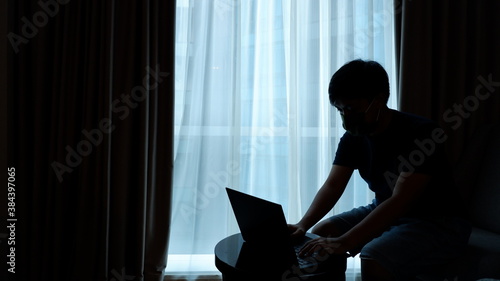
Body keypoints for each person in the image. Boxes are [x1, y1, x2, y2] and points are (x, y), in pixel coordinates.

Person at [288, 59, 471, 281]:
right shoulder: (354, 137)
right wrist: (303, 224)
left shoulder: (422, 133)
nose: (346, 116)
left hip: (438, 222)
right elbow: (333, 185)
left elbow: (401, 200)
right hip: (385, 208)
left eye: (351, 109)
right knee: (318, 233)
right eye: (340, 110)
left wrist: (346, 240)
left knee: (373, 256)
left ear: (379, 99)